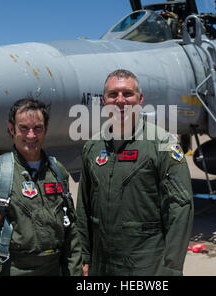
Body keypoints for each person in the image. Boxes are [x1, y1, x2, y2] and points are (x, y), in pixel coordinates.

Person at [76, 69, 194, 276]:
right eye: (113, 94)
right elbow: (84, 208)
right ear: (104, 100)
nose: (120, 100)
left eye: (127, 94)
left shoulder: (164, 144)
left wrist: (170, 269)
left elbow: (180, 210)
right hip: (101, 266)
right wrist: (84, 257)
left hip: (146, 266)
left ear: (140, 99)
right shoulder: (92, 147)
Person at [0, 98, 82, 276]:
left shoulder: (57, 172)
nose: (31, 135)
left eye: (37, 128)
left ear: (46, 129)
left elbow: (71, 234)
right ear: (12, 129)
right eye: (24, 128)